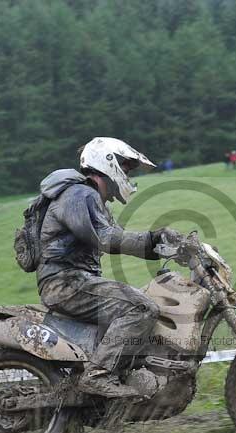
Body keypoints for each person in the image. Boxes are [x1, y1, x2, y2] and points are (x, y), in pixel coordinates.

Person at [36, 137, 180, 398]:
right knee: (141, 307)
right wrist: (155, 238)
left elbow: (119, 238)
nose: (127, 175)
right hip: (65, 282)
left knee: (139, 300)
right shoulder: (80, 194)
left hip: (74, 281)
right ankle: (98, 375)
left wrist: (170, 248)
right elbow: (108, 239)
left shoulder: (93, 200)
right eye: (126, 169)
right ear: (108, 162)